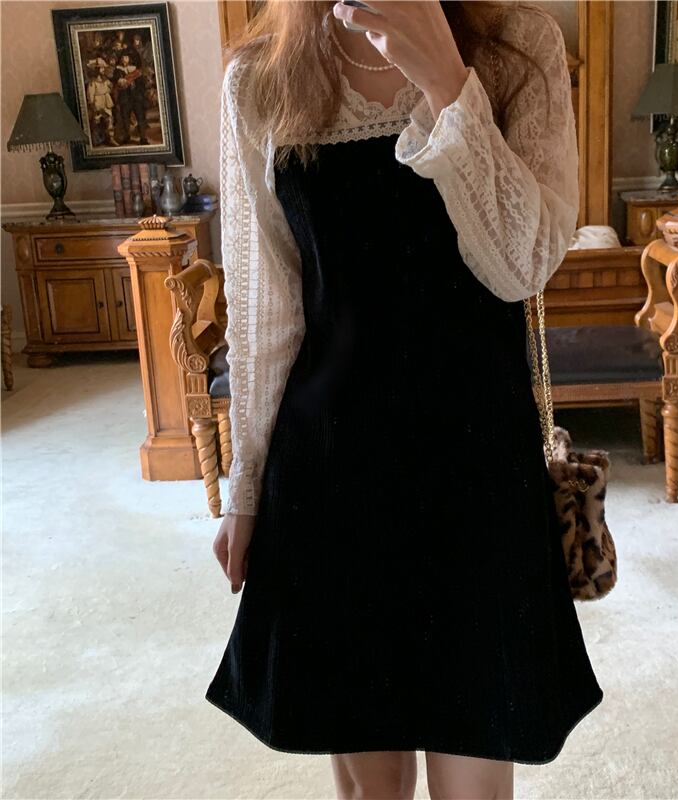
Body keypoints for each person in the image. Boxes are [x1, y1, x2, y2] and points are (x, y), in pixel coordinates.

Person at [205, 2, 604, 797]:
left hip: (479, 477)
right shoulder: (261, 76)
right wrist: (245, 489)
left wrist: (447, 82)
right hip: (330, 478)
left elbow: (523, 266)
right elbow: (266, 312)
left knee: (476, 778)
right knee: (370, 791)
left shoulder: (519, 48)